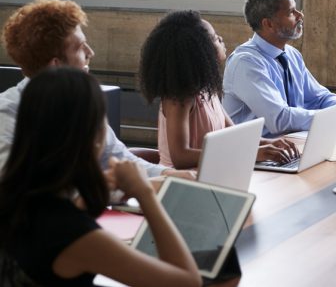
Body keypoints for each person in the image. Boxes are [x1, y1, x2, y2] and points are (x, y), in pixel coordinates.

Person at [0, 67, 201, 286]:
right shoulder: (73, 235)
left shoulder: (18, 199)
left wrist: (93, 194)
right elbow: (188, 281)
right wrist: (145, 194)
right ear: (91, 138)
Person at [0, 0, 188, 179]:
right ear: (55, 66)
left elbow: (119, 158)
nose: (91, 52)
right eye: (81, 48)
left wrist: (170, 175)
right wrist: (118, 186)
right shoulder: (6, 115)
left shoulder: (79, 102)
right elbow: (20, 188)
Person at [138, 10, 299, 169]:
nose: (221, 39)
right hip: (180, 181)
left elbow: (234, 134)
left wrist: (267, 143)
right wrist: (253, 153)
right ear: (200, 52)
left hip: (211, 174)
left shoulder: (208, 90)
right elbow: (181, 157)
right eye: (215, 38)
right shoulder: (179, 99)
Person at [223, 0, 336, 136]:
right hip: (258, 155)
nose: (300, 15)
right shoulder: (246, 63)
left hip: (291, 145)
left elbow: (319, 98)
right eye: (291, 12)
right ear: (268, 24)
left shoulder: (291, 54)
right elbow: (280, 119)